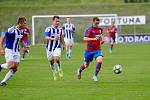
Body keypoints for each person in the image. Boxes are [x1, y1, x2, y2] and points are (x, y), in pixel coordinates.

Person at [0, 16, 27, 86]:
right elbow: (2, 37)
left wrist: (25, 47)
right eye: (24, 23)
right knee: (11, 65)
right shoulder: (11, 29)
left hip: (16, 52)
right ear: (20, 23)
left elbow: (20, 41)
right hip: (9, 50)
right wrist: (1, 48)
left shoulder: (22, 31)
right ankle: (0, 66)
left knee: (15, 68)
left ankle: (4, 81)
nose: (25, 25)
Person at [77, 17, 104, 82]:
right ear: (93, 22)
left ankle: (95, 76)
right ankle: (79, 70)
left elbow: (101, 36)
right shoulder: (89, 29)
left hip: (97, 50)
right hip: (89, 50)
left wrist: (102, 40)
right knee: (86, 65)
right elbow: (85, 38)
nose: (97, 24)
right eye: (96, 23)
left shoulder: (100, 29)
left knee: (100, 61)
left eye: (98, 23)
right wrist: (93, 39)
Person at [44, 16, 65, 80]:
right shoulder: (48, 29)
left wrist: (63, 44)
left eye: (58, 21)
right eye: (56, 21)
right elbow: (46, 37)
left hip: (57, 47)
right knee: (51, 62)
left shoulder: (60, 29)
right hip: (49, 48)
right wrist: (53, 38)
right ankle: (54, 73)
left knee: (56, 58)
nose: (57, 22)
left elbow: (61, 37)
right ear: (53, 21)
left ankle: (59, 69)